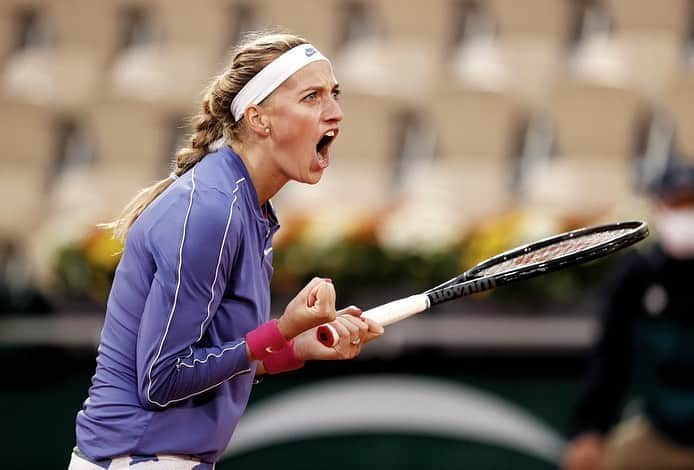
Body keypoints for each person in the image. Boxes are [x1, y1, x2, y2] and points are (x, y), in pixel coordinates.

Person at [68, 32, 384, 469]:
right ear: (259, 119)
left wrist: (296, 346)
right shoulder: (213, 211)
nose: (335, 112)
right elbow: (162, 379)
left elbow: (214, 360)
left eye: (334, 94)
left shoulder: (243, 207)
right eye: (311, 97)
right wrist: (279, 330)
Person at [562, 161, 694, 470]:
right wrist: (590, 430)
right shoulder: (638, 274)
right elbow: (610, 357)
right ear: (659, 207)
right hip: (658, 430)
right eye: (678, 203)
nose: (686, 213)